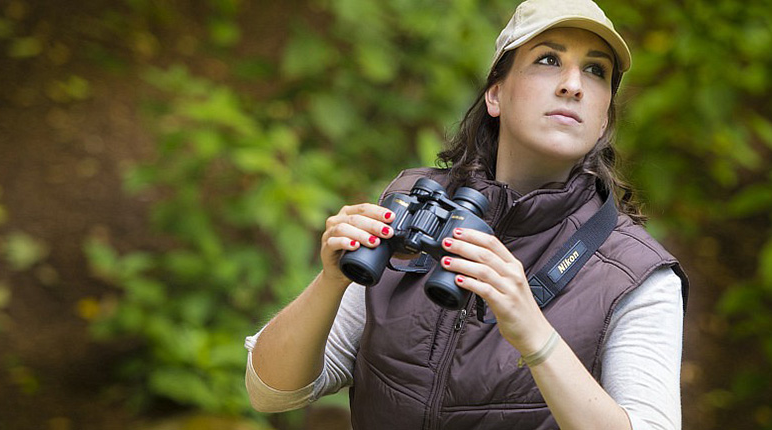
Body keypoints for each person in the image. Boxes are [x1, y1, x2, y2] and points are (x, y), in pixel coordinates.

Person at [245, 0, 689, 428]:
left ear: (603, 119)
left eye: (595, 71)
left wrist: (535, 335)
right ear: (495, 94)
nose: (573, 85)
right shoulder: (414, 206)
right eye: (549, 60)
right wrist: (331, 281)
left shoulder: (636, 276)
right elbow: (271, 392)